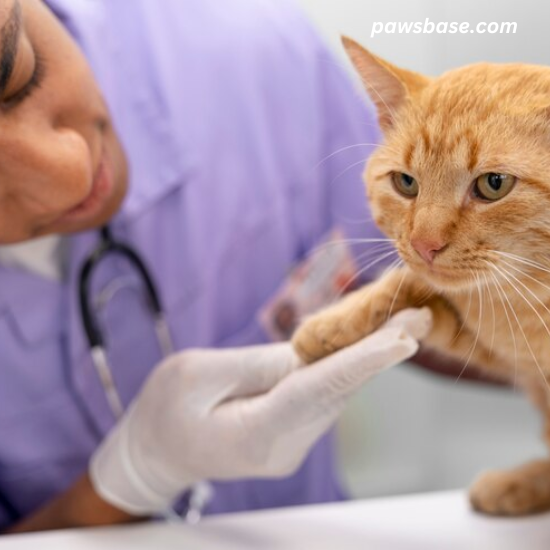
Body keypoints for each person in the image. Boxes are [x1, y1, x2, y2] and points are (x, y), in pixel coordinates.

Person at [0, 0, 429, 534]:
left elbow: (410, 285)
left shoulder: (256, 52)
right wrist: (126, 480)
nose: (73, 173)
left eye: (19, 72)